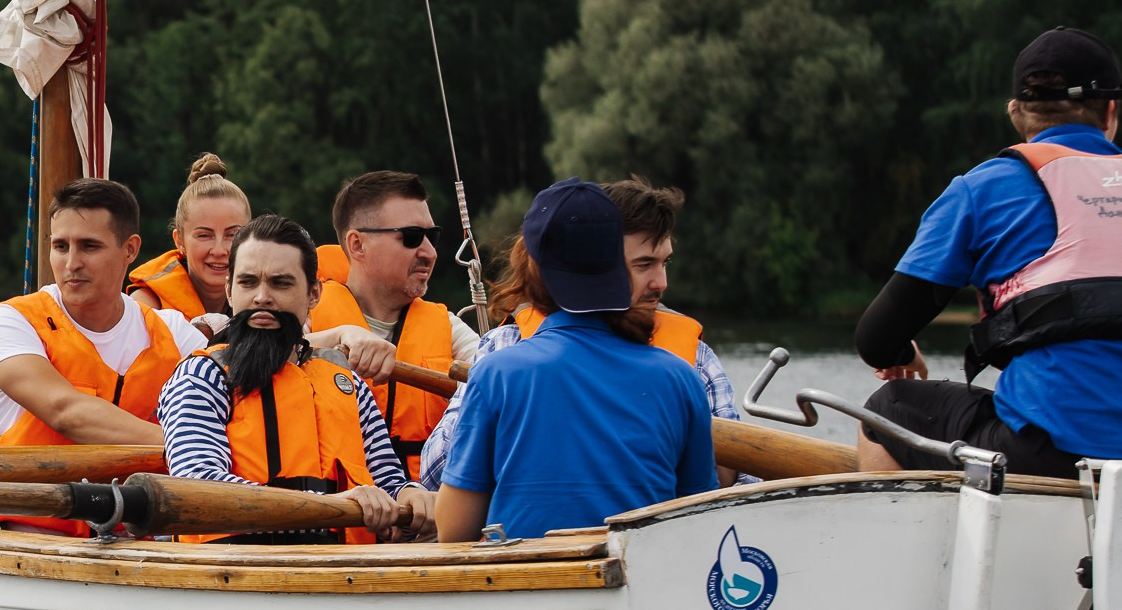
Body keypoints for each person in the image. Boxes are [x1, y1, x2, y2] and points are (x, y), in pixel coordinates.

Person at [855, 27, 1122, 476]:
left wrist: (900, 356)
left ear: (1016, 114)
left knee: (886, 412)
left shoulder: (982, 189)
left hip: (1047, 454)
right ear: (1111, 112)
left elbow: (875, 339)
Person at [418, 177, 744, 489]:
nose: (662, 283)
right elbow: (434, 473)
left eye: (665, 263)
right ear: (596, 263)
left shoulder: (695, 360)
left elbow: (743, 483)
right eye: (644, 265)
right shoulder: (505, 347)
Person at [157, 215, 434, 543]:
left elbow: (388, 481)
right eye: (248, 282)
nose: (262, 297)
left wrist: (411, 496)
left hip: (346, 568)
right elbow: (199, 487)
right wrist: (328, 505)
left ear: (314, 294)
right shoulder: (201, 377)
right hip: (235, 568)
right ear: (229, 290)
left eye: (281, 283)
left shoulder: (348, 384)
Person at [0, 178, 207, 452]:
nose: (71, 263)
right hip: (19, 480)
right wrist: (190, 445)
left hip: (142, 480)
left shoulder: (174, 333)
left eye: (89, 246)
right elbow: (63, 411)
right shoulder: (8, 321)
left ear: (130, 249)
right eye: (60, 246)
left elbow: (228, 407)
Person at [308, 170, 483, 479]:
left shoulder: (447, 327)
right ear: (357, 245)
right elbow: (266, 351)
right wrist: (339, 335)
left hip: (428, 503)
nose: (430, 252)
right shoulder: (307, 316)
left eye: (432, 237)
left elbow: (504, 378)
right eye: (411, 237)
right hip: (338, 502)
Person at [129, 153, 250, 321]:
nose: (219, 250)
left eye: (232, 235)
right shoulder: (147, 309)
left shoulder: (265, 303)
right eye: (204, 235)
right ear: (180, 241)